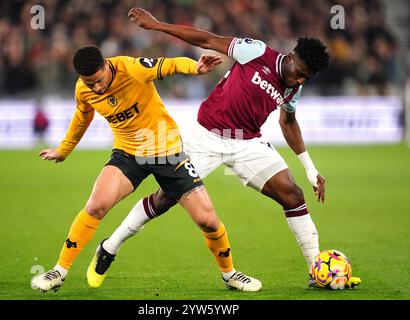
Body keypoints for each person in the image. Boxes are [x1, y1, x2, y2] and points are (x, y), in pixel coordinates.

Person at [91, 7, 361, 289]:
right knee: (163, 200)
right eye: (301, 73)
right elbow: (206, 39)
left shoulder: (293, 87)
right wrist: (158, 26)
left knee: (293, 195)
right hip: (205, 137)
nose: (301, 80)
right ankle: (109, 246)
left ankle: (316, 271)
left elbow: (288, 122)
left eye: (308, 78)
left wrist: (310, 167)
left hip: (247, 144)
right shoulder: (257, 51)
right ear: (291, 57)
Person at [31, 45, 262, 293]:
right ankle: (59, 271)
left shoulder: (131, 68)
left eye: (98, 81)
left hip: (166, 152)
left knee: (208, 221)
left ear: (106, 66)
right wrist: (64, 150)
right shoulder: (83, 89)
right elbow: (82, 117)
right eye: (90, 84)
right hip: (128, 153)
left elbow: (169, 64)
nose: (96, 88)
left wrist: (194, 67)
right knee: (96, 205)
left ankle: (230, 275)